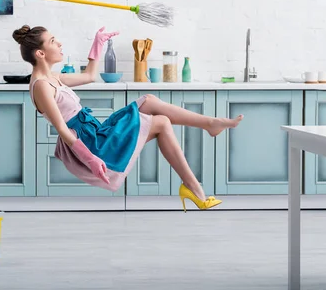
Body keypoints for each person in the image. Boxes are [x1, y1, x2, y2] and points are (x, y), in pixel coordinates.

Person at [12, 25, 243, 211]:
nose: (59, 43)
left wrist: (98, 43)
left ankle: (209, 125)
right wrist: (91, 159)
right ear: (40, 53)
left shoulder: (53, 77)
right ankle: (194, 187)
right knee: (161, 121)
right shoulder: (42, 85)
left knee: (149, 100)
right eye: (53, 41)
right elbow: (62, 130)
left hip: (94, 130)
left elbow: (90, 76)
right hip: (90, 143)